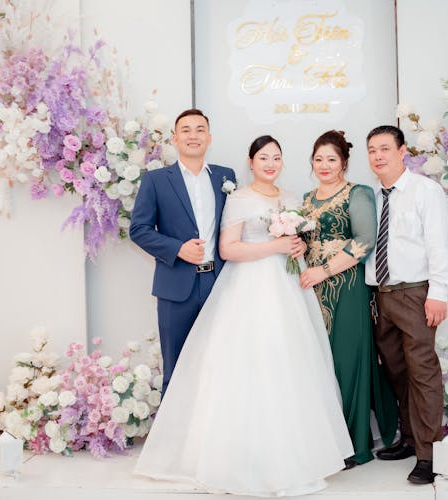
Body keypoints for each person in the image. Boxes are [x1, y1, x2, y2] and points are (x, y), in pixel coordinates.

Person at [134, 135, 353, 497]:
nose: (270, 163)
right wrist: (276, 245)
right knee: (246, 367)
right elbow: (228, 249)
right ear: (250, 162)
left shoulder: (293, 199)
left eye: (277, 157)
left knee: (288, 365)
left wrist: (296, 245)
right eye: (263, 157)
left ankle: (291, 455)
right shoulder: (238, 198)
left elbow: (296, 247)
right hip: (249, 290)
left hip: (287, 292)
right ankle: (236, 457)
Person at [299, 130, 398, 470]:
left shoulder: (357, 193)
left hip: (347, 287)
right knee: (318, 364)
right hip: (311, 290)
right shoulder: (306, 199)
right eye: (318, 159)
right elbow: (304, 242)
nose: (324, 165)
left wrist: (324, 270)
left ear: (343, 162)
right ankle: (324, 439)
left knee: (347, 363)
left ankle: (353, 445)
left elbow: (364, 241)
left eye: (331, 159)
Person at [364, 125, 448, 485]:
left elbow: (438, 244)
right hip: (381, 296)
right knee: (397, 371)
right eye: (372, 150)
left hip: (415, 294)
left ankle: (430, 455)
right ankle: (410, 438)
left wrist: (439, 293)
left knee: (423, 373)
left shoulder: (425, 191)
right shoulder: (372, 195)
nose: (378, 155)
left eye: (385, 148)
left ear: (402, 152)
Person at [129, 109, 236, 396]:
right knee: (176, 368)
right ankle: (173, 440)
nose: (193, 135)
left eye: (200, 129)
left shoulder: (226, 177)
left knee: (219, 364)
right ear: (175, 139)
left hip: (219, 284)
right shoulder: (156, 180)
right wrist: (178, 249)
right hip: (176, 287)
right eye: (186, 130)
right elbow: (138, 229)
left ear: (209, 137)